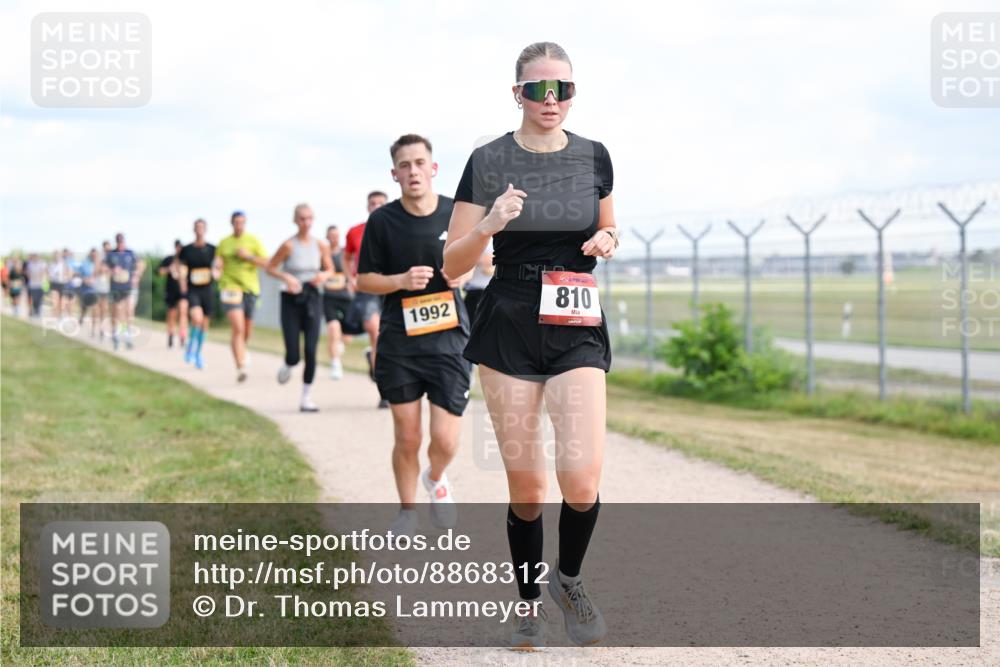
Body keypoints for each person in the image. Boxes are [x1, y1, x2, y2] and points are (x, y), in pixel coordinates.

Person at [442, 42, 619, 649]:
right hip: (510, 319)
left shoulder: (595, 155)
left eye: (561, 89)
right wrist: (489, 225)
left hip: (575, 319)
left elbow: (607, 224)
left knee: (582, 479)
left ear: (573, 93)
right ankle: (526, 601)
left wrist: (609, 239)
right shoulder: (488, 159)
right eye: (538, 89)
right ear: (517, 93)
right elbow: (452, 265)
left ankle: (568, 581)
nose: (551, 100)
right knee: (528, 489)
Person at [357, 134, 472, 538]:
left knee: (445, 439)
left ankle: (435, 477)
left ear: (433, 168)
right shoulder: (382, 221)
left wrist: (463, 274)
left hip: (449, 340)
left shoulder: (455, 213)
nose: (413, 171)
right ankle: (407, 512)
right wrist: (400, 280)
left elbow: (480, 259)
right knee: (407, 436)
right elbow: (364, 280)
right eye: (404, 165)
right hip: (400, 342)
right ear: (395, 174)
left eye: (420, 163)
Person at [266, 204, 333, 412]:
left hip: (313, 298)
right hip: (291, 300)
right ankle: (289, 363)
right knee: (294, 353)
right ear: (295, 221)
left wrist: (323, 275)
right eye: (303, 219)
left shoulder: (320, 245)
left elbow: (330, 269)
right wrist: (286, 277)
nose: (306, 223)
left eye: (310, 218)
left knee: (311, 350)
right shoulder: (288, 245)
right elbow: (270, 268)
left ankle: (306, 398)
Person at [343, 191, 390, 406]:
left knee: (390, 337)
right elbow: (346, 258)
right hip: (367, 287)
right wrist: (349, 278)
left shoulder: (397, 227)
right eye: (373, 203)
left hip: (392, 286)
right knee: (375, 331)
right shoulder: (355, 231)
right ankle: (384, 392)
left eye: (381, 203)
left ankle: (375, 361)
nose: (377, 206)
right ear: (367, 207)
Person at [216, 210, 269, 383]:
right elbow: (218, 263)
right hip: (230, 287)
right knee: (238, 328)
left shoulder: (253, 241)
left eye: (242, 222)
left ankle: (242, 350)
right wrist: (217, 268)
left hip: (250, 289)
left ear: (245, 223)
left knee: (246, 331)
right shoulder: (224, 243)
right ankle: (240, 367)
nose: (239, 225)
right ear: (231, 223)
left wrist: (249, 256)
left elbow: (267, 263)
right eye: (236, 222)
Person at [179, 219, 218, 369]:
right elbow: (182, 267)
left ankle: (198, 353)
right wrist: (182, 281)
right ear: (194, 230)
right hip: (193, 289)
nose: (199, 230)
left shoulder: (213, 249)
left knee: (205, 324)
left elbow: (219, 265)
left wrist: (217, 272)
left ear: (205, 229)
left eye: (202, 227)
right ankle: (190, 345)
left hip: (207, 289)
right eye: (197, 227)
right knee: (197, 318)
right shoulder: (187, 249)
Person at [322, 224, 353, 380]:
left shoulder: (344, 253)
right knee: (333, 329)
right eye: (331, 236)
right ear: (327, 237)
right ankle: (335, 364)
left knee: (347, 335)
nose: (334, 238)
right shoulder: (322, 253)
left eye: (336, 236)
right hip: (329, 298)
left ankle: (338, 348)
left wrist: (350, 282)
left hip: (346, 297)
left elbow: (352, 269)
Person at [105, 232, 145, 350]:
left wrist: (137, 275)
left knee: (129, 310)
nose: (121, 244)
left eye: (122, 241)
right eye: (119, 242)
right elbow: (102, 267)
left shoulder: (130, 253)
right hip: (116, 287)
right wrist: (112, 270)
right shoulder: (111, 254)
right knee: (117, 311)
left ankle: (128, 335)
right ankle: (116, 333)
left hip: (129, 287)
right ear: (116, 242)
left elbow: (141, 264)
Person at [158, 240, 187, 349]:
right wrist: (169, 269)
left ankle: (182, 336)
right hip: (171, 291)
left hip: (183, 291)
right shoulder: (169, 259)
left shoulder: (186, 260)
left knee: (183, 312)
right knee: (171, 314)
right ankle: (171, 334)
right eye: (177, 247)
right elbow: (159, 271)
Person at [77, 248, 101, 331]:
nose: (94, 256)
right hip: (85, 288)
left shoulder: (100, 264)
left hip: (95, 288)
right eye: (92, 255)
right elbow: (79, 273)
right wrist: (84, 279)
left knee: (95, 307)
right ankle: (81, 317)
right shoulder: (85, 263)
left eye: (95, 255)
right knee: (84, 307)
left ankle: (94, 328)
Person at [25, 253, 48, 318]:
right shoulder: (30, 264)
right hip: (32, 284)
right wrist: (31, 276)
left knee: (39, 298)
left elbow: (43, 272)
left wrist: (39, 277)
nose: (35, 258)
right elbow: (28, 272)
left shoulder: (42, 264)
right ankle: (35, 310)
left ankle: (38, 311)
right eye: (34, 257)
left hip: (40, 284)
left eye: (36, 257)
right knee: (34, 298)